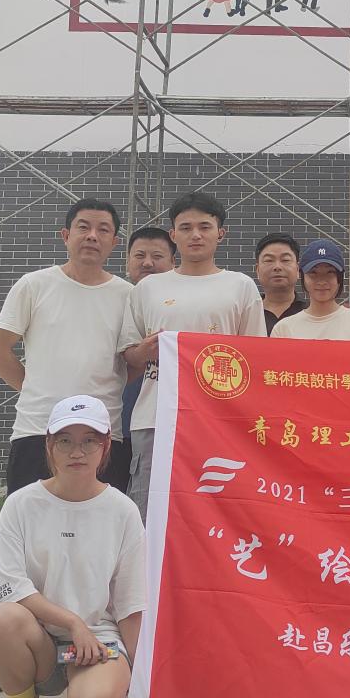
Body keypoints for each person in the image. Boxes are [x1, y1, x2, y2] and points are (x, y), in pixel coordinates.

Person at [0, 199, 132, 698]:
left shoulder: (127, 295)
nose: (92, 236)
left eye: (103, 229)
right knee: (27, 544)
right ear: (65, 235)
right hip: (38, 430)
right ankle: (9, 654)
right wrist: (37, 394)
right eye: (83, 227)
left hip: (105, 434)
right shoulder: (34, 285)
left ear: (114, 241)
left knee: (97, 544)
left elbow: (131, 361)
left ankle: (96, 642)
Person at [0, 395, 146, 698]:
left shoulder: (122, 511)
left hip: (98, 640)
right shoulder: (21, 505)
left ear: (106, 447)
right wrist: (73, 623)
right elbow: (12, 587)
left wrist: (142, 675)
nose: (77, 451)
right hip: (38, 636)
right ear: (49, 445)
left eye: (89, 440)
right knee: (4, 619)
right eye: (65, 440)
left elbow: (130, 600)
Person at [120, 192, 260, 521]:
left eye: (204, 227)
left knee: (218, 517)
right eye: (185, 228)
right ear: (173, 235)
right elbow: (129, 355)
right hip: (155, 418)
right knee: (150, 515)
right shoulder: (148, 289)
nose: (195, 235)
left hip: (220, 420)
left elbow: (255, 358)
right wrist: (145, 351)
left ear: (220, 233)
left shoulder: (241, 286)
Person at [111, 226, 177, 493]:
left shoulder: (183, 302)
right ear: (127, 261)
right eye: (139, 255)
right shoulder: (113, 295)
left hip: (160, 420)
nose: (148, 263)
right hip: (114, 419)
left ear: (173, 261)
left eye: (157, 256)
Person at [271, 241, 350, 341]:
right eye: (313, 273)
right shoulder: (284, 329)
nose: (322, 281)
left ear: (339, 278)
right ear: (302, 276)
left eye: (330, 272)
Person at [248, 232, 306, 336]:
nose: (277, 267)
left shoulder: (311, 313)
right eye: (269, 260)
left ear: (297, 270)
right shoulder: (246, 314)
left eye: (285, 260)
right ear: (257, 270)